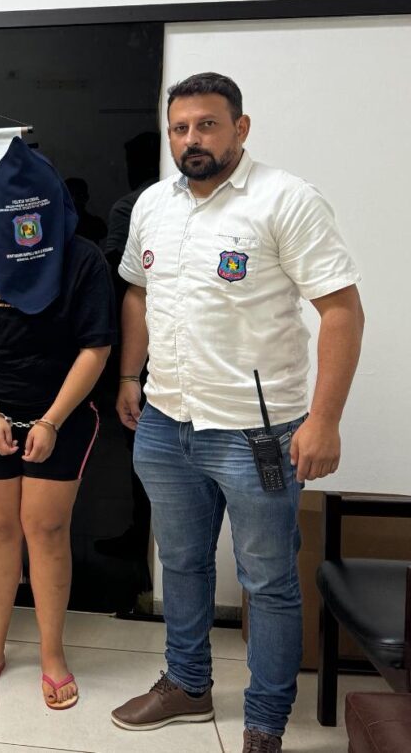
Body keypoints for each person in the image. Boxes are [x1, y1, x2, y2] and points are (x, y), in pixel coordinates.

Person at [111, 73, 364, 753]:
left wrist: (324, 419)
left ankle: (264, 723)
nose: (191, 139)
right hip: (166, 424)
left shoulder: (286, 199)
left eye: (207, 124)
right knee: (181, 564)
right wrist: (131, 375)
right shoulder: (153, 206)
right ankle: (187, 686)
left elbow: (342, 311)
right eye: (180, 128)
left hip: (258, 435)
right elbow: (137, 293)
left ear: (240, 128)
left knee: (269, 582)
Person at [0, 137, 116, 710]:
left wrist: (52, 420)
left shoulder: (83, 259)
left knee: (46, 528)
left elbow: (96, 347)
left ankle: (52, 654)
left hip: (62, 415)